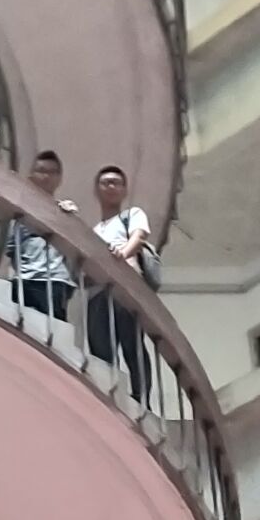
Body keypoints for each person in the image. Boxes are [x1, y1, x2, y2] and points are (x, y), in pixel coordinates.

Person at [88, 164, 154, 403]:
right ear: (97, 190)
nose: (111, 186)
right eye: (105, 182)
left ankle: (141, 398)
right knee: (100, 347)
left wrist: (123, 254)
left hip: (125, 286)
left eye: (116, 182)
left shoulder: (132, 215)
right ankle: (110, 394)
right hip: (99, 291)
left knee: (131, 343)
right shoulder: (94, 230)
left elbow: (139, 236)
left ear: (125, 190)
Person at [0, 151, 78, 321]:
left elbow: (74, 247)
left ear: (59, 178)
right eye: (41, 171)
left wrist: (69, 217)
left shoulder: (64, 210)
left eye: (52, 172)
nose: (46, 176)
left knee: (54, 328)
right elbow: (12, 251)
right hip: (24, 279)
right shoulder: (20, 213)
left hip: (53, 279)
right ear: (32, 175)